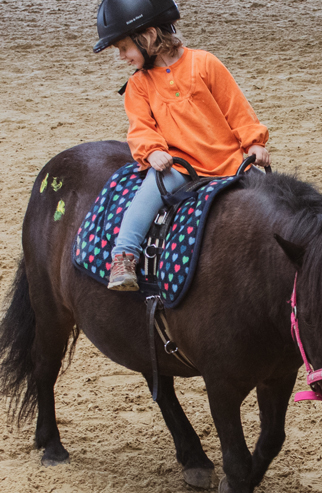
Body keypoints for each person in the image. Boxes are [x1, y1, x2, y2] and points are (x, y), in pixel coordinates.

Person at [93, 0, 271, 291]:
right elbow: (140, 128)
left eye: (124, 47)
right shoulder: (138, 86)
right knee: (147, 196)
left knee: (270, 200)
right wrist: (153, 151)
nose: (122, 56)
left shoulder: (205, 63)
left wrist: (254, 143)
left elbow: (236, 107)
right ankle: (124, 256)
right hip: (178, 165)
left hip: (228, 160)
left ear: (148, 36)